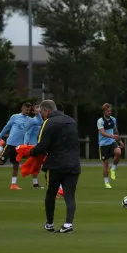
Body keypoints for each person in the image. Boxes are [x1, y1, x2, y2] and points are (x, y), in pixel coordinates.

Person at [26, 100, 82, 233]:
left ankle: (50, 224)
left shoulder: (48, 123)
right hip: (73, 163)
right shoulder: (71, 121)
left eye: (42, 113)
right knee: (70, 196)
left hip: (55, 164)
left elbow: (42, 145)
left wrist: (30, 152)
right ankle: (68, 224)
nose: (42, 116)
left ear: (47, 110)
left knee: (51, 194)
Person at [0, 102, 32, 190]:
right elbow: (7, 127)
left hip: (19, 147)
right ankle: (0, 148)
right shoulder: (15, 117)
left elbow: (29, 133)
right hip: (10, 144)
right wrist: (0, 136)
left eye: (29, 110)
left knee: (16, 165)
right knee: (1, 162)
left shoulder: (30, 120)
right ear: (22, 108)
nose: (27, 111)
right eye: (26, 109)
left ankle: (13, 184)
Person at [97, 103, 122, 189]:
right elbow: (102, 132)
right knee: (106, 164)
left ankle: (113, 169)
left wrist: (120, 141)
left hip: (112, 142)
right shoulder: (100, 121)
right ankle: (106, 182)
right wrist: (112, 136)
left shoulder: (113, 119)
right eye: (108, 111)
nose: (110, 112)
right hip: (103, 144)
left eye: (110, 111)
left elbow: (115, 130)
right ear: (104, 111)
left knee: (118, 152)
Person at [24, 104, 44, 189]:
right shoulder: (32, 121)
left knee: (38, 165)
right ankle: (35, 184)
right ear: (33, 111)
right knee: (35, 165)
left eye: (39, 108)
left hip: (39, 145)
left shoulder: (40, 120)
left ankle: (36, 183)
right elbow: (27, 134)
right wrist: (25, 146)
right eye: (36, 108)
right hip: (33, 146)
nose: (38, 109)